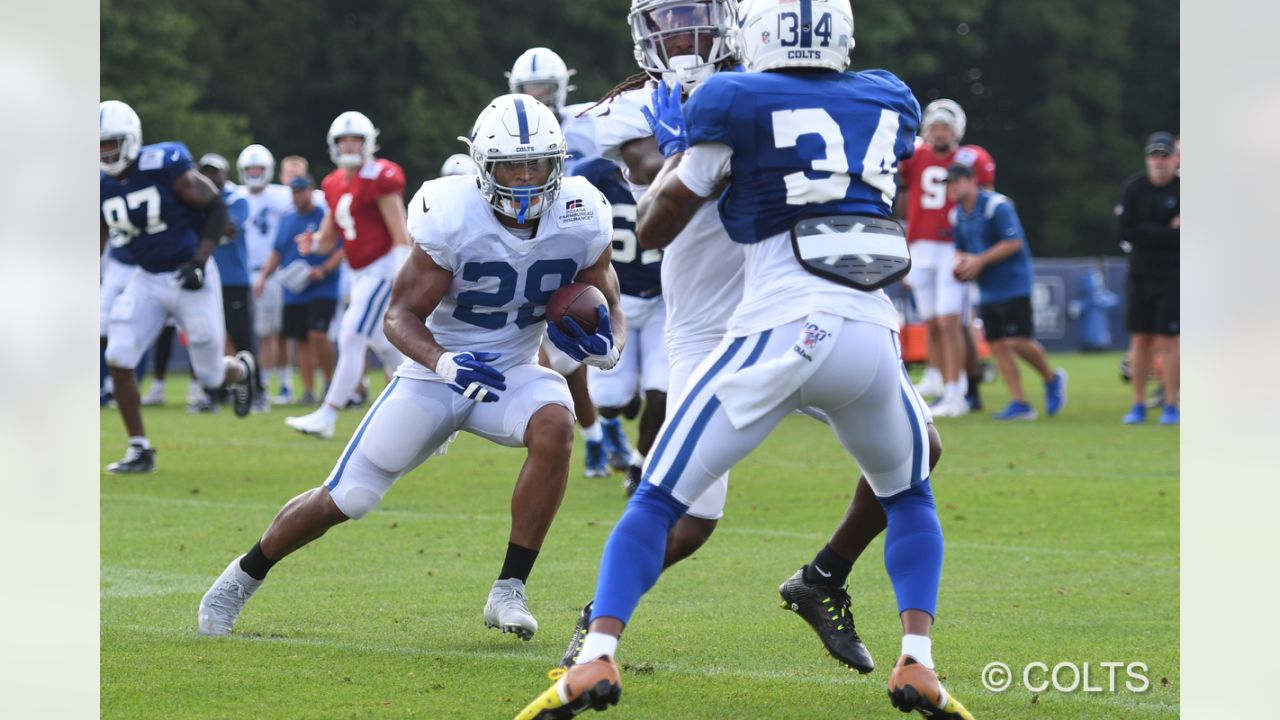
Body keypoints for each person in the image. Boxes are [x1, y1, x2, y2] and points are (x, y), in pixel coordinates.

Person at [517, 1, 973, 718]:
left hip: (775, 316)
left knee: (922, 453)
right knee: (692, 521)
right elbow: (650, 184)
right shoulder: (645, 101)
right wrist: (705, 135)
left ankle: (820, 578)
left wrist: (725, 133)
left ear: (738, 25)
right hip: (719, 324)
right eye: (666, 19)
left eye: (694, 14)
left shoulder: (745, 90)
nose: (680, 32)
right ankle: (597, 623)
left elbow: (716, 168)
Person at [197, 93, 624, 643]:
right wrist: (445, 364)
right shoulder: (451, 213)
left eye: (535, 164)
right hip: (436, 371)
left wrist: (607, 345)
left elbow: (606, 297)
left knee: (556, 423)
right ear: (481, 167)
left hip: (513, 369)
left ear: (557, 163)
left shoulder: (581, 211)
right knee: (346, 497)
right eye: (509, 165)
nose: (523, 178)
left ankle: (508, 590)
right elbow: (398, 316)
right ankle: (240, 578)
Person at [99, 100, 256, 473]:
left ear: (131, 140)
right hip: (148, 278)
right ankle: (139, 448)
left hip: (191, 277)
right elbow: (100, 234)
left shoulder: (164, 164)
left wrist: (200, 261)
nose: (105, 152)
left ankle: (239, 371)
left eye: (111, 143)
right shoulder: (101, 184)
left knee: (209, 377)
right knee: (118, 356)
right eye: (98, 145)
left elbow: (216, 208)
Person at [507, 46, 620, 476]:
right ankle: (596, 436)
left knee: (588, 337)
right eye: (529, 88)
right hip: (529, 247)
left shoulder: (588, 124)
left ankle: (602, 428)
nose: (537, 95)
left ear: (563, 87)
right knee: (560, 354)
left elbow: (616, 178)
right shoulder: (505, 126)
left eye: (545, 87)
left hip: (582, 243)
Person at [284, 111, 409, 439]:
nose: (350, 146)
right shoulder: (333, 182)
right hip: (357, 272)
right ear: (334, 145)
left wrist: (400, 271)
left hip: (382, 268)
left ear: (369, 143)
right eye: (344, 140)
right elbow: (329, 238)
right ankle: (425, 410)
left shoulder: (379, 176)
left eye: (356, 140)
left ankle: (328, 414)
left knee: (351, 335)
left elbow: (399, 230)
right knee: (388, 348)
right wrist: (313, 245)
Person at [898, 99, 997, 417]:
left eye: (945, 127)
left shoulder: (972, 158)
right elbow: (898, 192)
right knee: (931, 321)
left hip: (953, 245)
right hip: (920, 244)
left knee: (950, 320)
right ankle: (936, 375)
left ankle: (957, 390)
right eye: (935, 127)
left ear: (957, 130)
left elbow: (986, 201)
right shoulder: (914, 155)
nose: (940, 134)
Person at [948, 163, 1067, 420]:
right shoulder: (957, 214)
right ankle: (1020, 402)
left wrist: (978, 261)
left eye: (956, 181)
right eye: (949, 183)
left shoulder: (996, 206)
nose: (952, 187)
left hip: (1013, 282)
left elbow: (1014, 242)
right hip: (987, 288)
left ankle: (1052, 377)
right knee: (997, 345)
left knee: (1017, 340)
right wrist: (961, 264)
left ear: (972, 181)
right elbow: (959, 249)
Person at [255, 175, 340, 405]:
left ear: (311, 190)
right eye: (294, 191)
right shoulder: (287, 219)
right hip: (294, 288)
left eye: (302, 190)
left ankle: (330, 382)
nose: (298, 195)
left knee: (317, 334)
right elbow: (277, 252)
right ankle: (309, 390)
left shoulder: (324, 215)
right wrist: (263, 277)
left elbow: (341, 249)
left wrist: (323, 269)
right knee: (300, 339)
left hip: (323, 286)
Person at [1117, 131, 1180, 425]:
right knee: (1140, 339)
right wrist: (1167, 231)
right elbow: (1125, 233)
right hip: (1140, 274)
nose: (1159, 161)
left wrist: (1147, 232)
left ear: (1174, 159)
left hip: (1172, 275)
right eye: (1154, 155)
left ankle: (1171, 404)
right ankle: (1138, 404)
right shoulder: (1134, 189)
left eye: (1164, 155)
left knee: (1169, 340)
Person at [197, 152, 264, 411]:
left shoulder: (236, 198)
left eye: (215, 172)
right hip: (207, 278)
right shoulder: (196, 199)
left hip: (234, 278)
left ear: (225, 174)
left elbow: (228, 228)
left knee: (242, 338)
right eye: (206, 172)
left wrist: (204, 216)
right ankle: (212, 394)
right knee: (209, 337)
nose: (210, 177)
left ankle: (257, 391)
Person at [237, 144, 294, 410]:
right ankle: (242, 385)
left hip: (271, 272)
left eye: (259, 169)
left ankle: (270, 383)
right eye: (250, 169)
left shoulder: (281, 197)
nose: (255, 173)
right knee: (241, 331)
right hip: (241, 272)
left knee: (271, 332)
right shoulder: (236, 196)